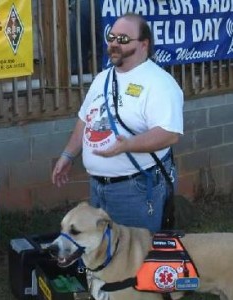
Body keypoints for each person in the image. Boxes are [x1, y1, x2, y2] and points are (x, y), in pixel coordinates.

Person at [52, 13, 183, 233]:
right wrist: (68, 154)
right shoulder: (103, 78)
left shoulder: (159, 83)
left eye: (123, 39)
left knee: (136, 256)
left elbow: (169, 134)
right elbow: (86, 118)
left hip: (136, 189)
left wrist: (128, 145)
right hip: (98, 187)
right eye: (111, 37)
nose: (114, 43)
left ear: (144, 44)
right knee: (105, 255)